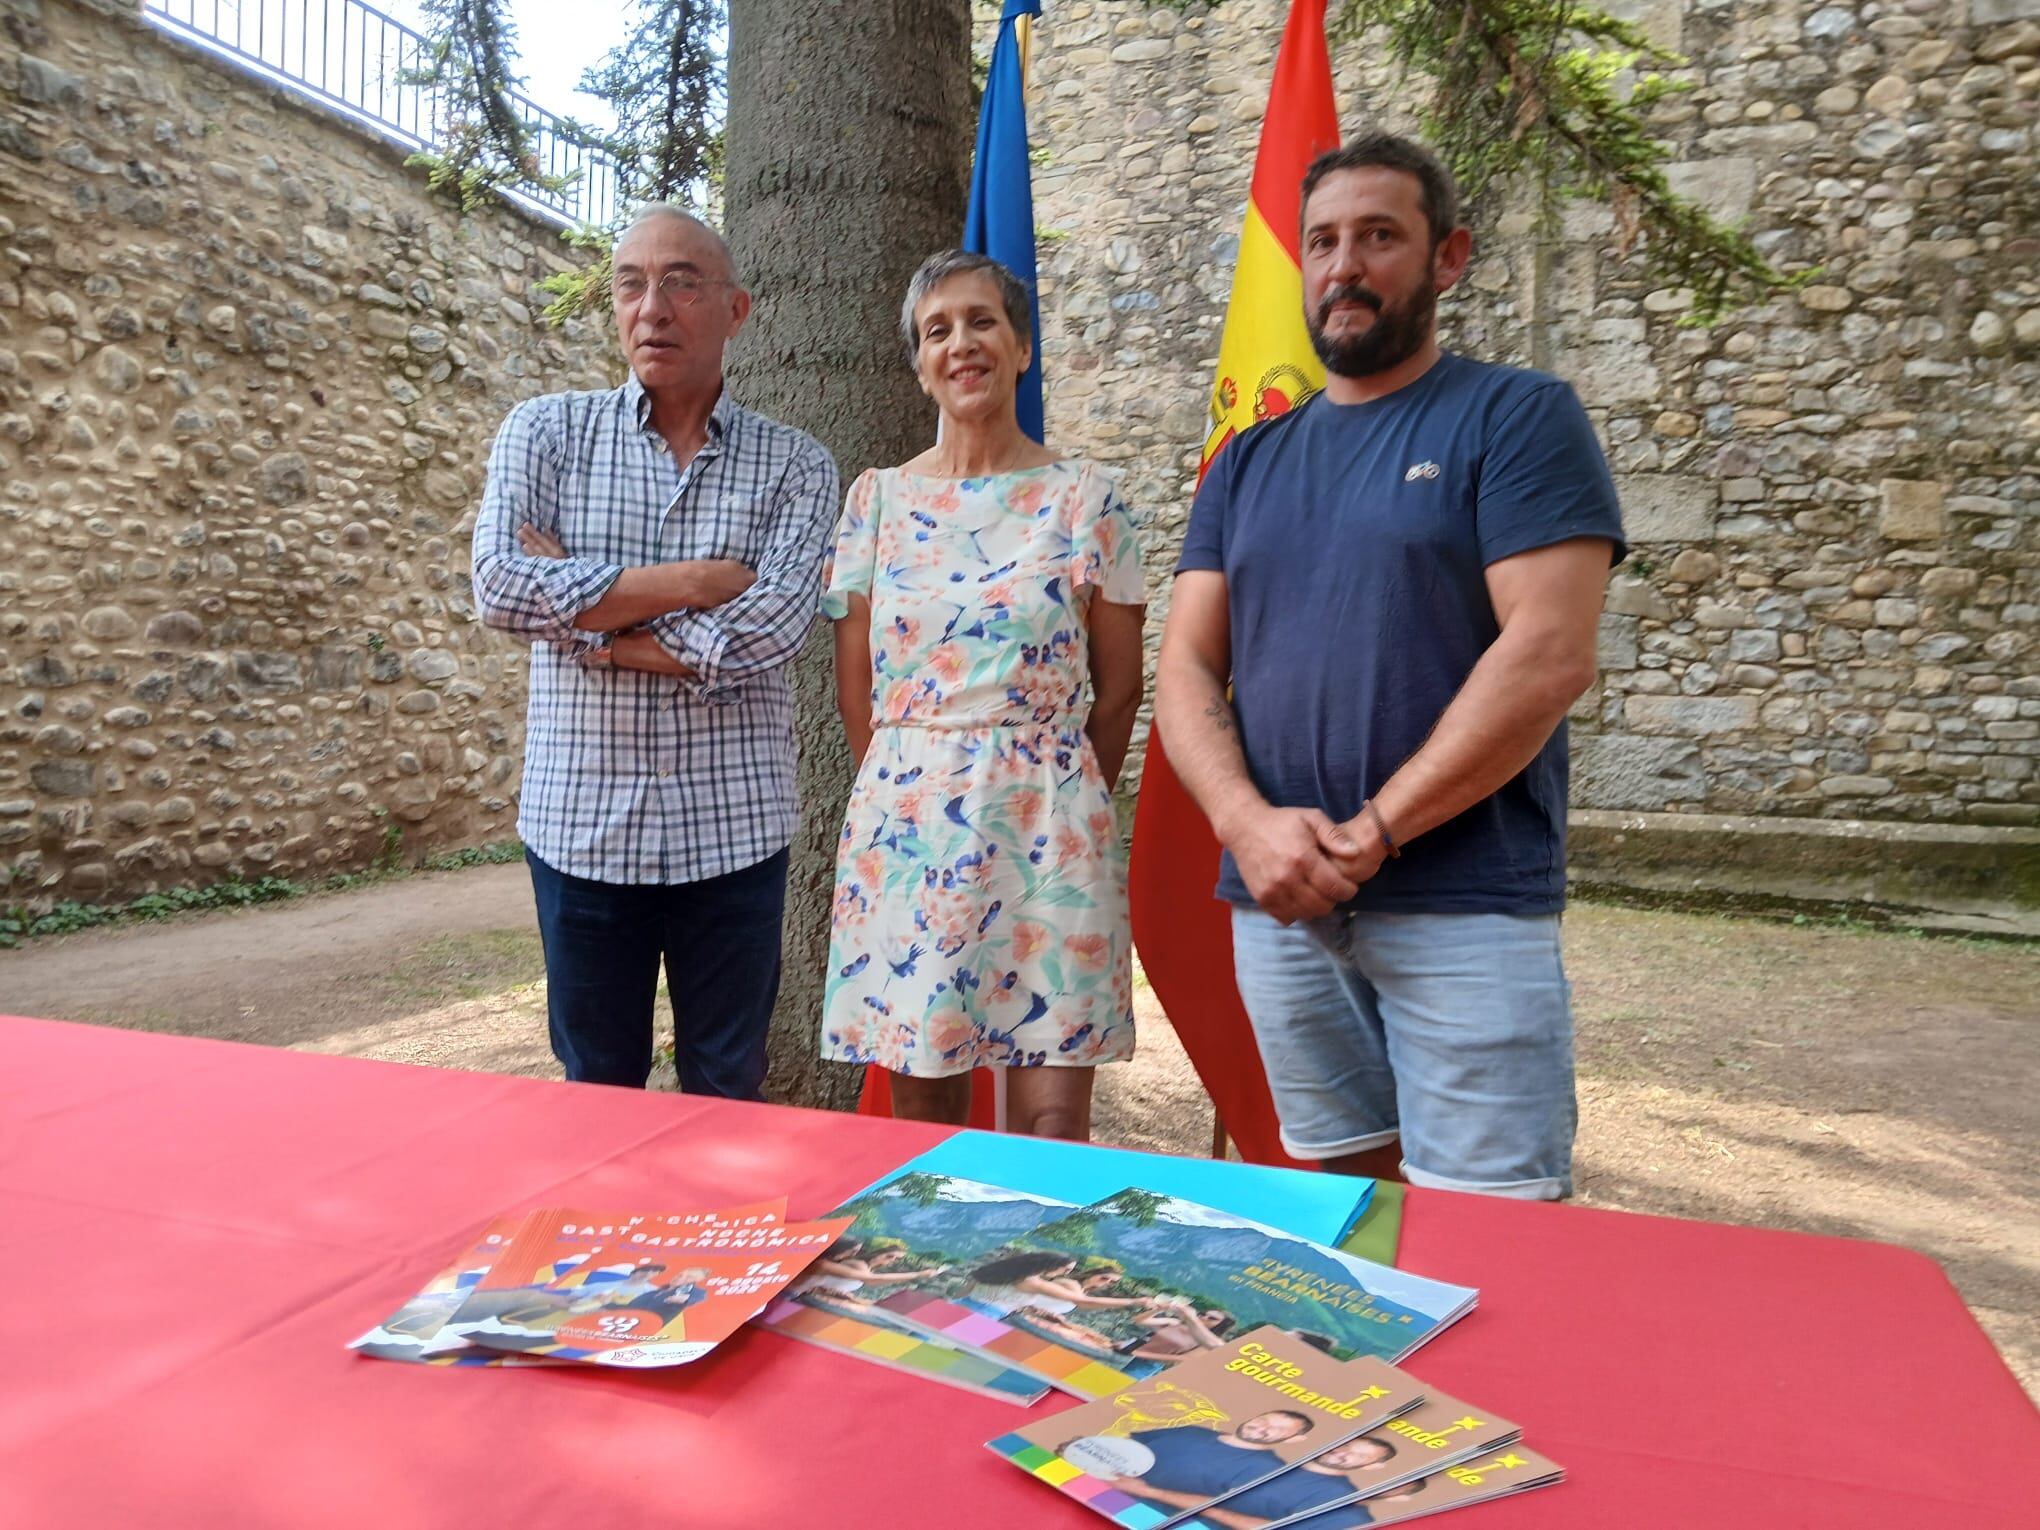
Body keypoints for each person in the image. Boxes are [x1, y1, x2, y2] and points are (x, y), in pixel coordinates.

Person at [1154, 134, 1624, 1200]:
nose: (1344, 266)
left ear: (1448, 257)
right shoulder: (1248, 459)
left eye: (1380, 236)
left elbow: (1549, 654)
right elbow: (1185, 661)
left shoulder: (1516, 418)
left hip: (1465, 904)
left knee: (1495, 1224)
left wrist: (1373, 833)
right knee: (1345, 1211)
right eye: (1322, 241)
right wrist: (1243, 823)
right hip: (1278, 904)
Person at [472, 204, 841, 1098]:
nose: (653, 306)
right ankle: (609, 1246)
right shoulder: (545, 434)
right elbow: (500, 589)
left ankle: (722, 1243)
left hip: (734, 835)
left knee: (728, 1085)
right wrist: (694, 581)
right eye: (631, 284)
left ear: (735, 308)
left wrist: (596, 630)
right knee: (596, 1088)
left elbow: (770, 633)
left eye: (681, 281)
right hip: (582, 833)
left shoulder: (797, 466)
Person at [819, 249, 1147, 1139]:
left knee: (1052, 1124)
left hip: (1051, 824)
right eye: (938, 330)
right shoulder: (874, 503)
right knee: (925, 1110)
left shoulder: (1087, 499)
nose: (961, 343)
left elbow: (1121, 692)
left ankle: (1033, 1272)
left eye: (981, 322)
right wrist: (917, 794)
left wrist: (1060, 794)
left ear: (1021, 347)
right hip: (910, 826)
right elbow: (859, 695)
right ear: (920, 361)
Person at [1095, 1410, 1316, 1509]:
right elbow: (1127, 1443)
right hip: (1095, 1488)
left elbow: (1228, 1511)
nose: (1264, 1428)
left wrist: (1147, 1492)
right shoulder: (1192, 1431)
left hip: (1141, 1516)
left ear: (1293, 1440)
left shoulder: (1269, 1470)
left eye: (1278, 1429)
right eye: (1264, 1420)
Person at [1194, 1434, 1399, 1529]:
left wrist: (1206, 1510)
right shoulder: (1265, 1462)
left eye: (1359, 1456)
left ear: (1372, 1466)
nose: (1342, 1454)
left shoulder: (1342, 1501)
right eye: (1345, 1447)